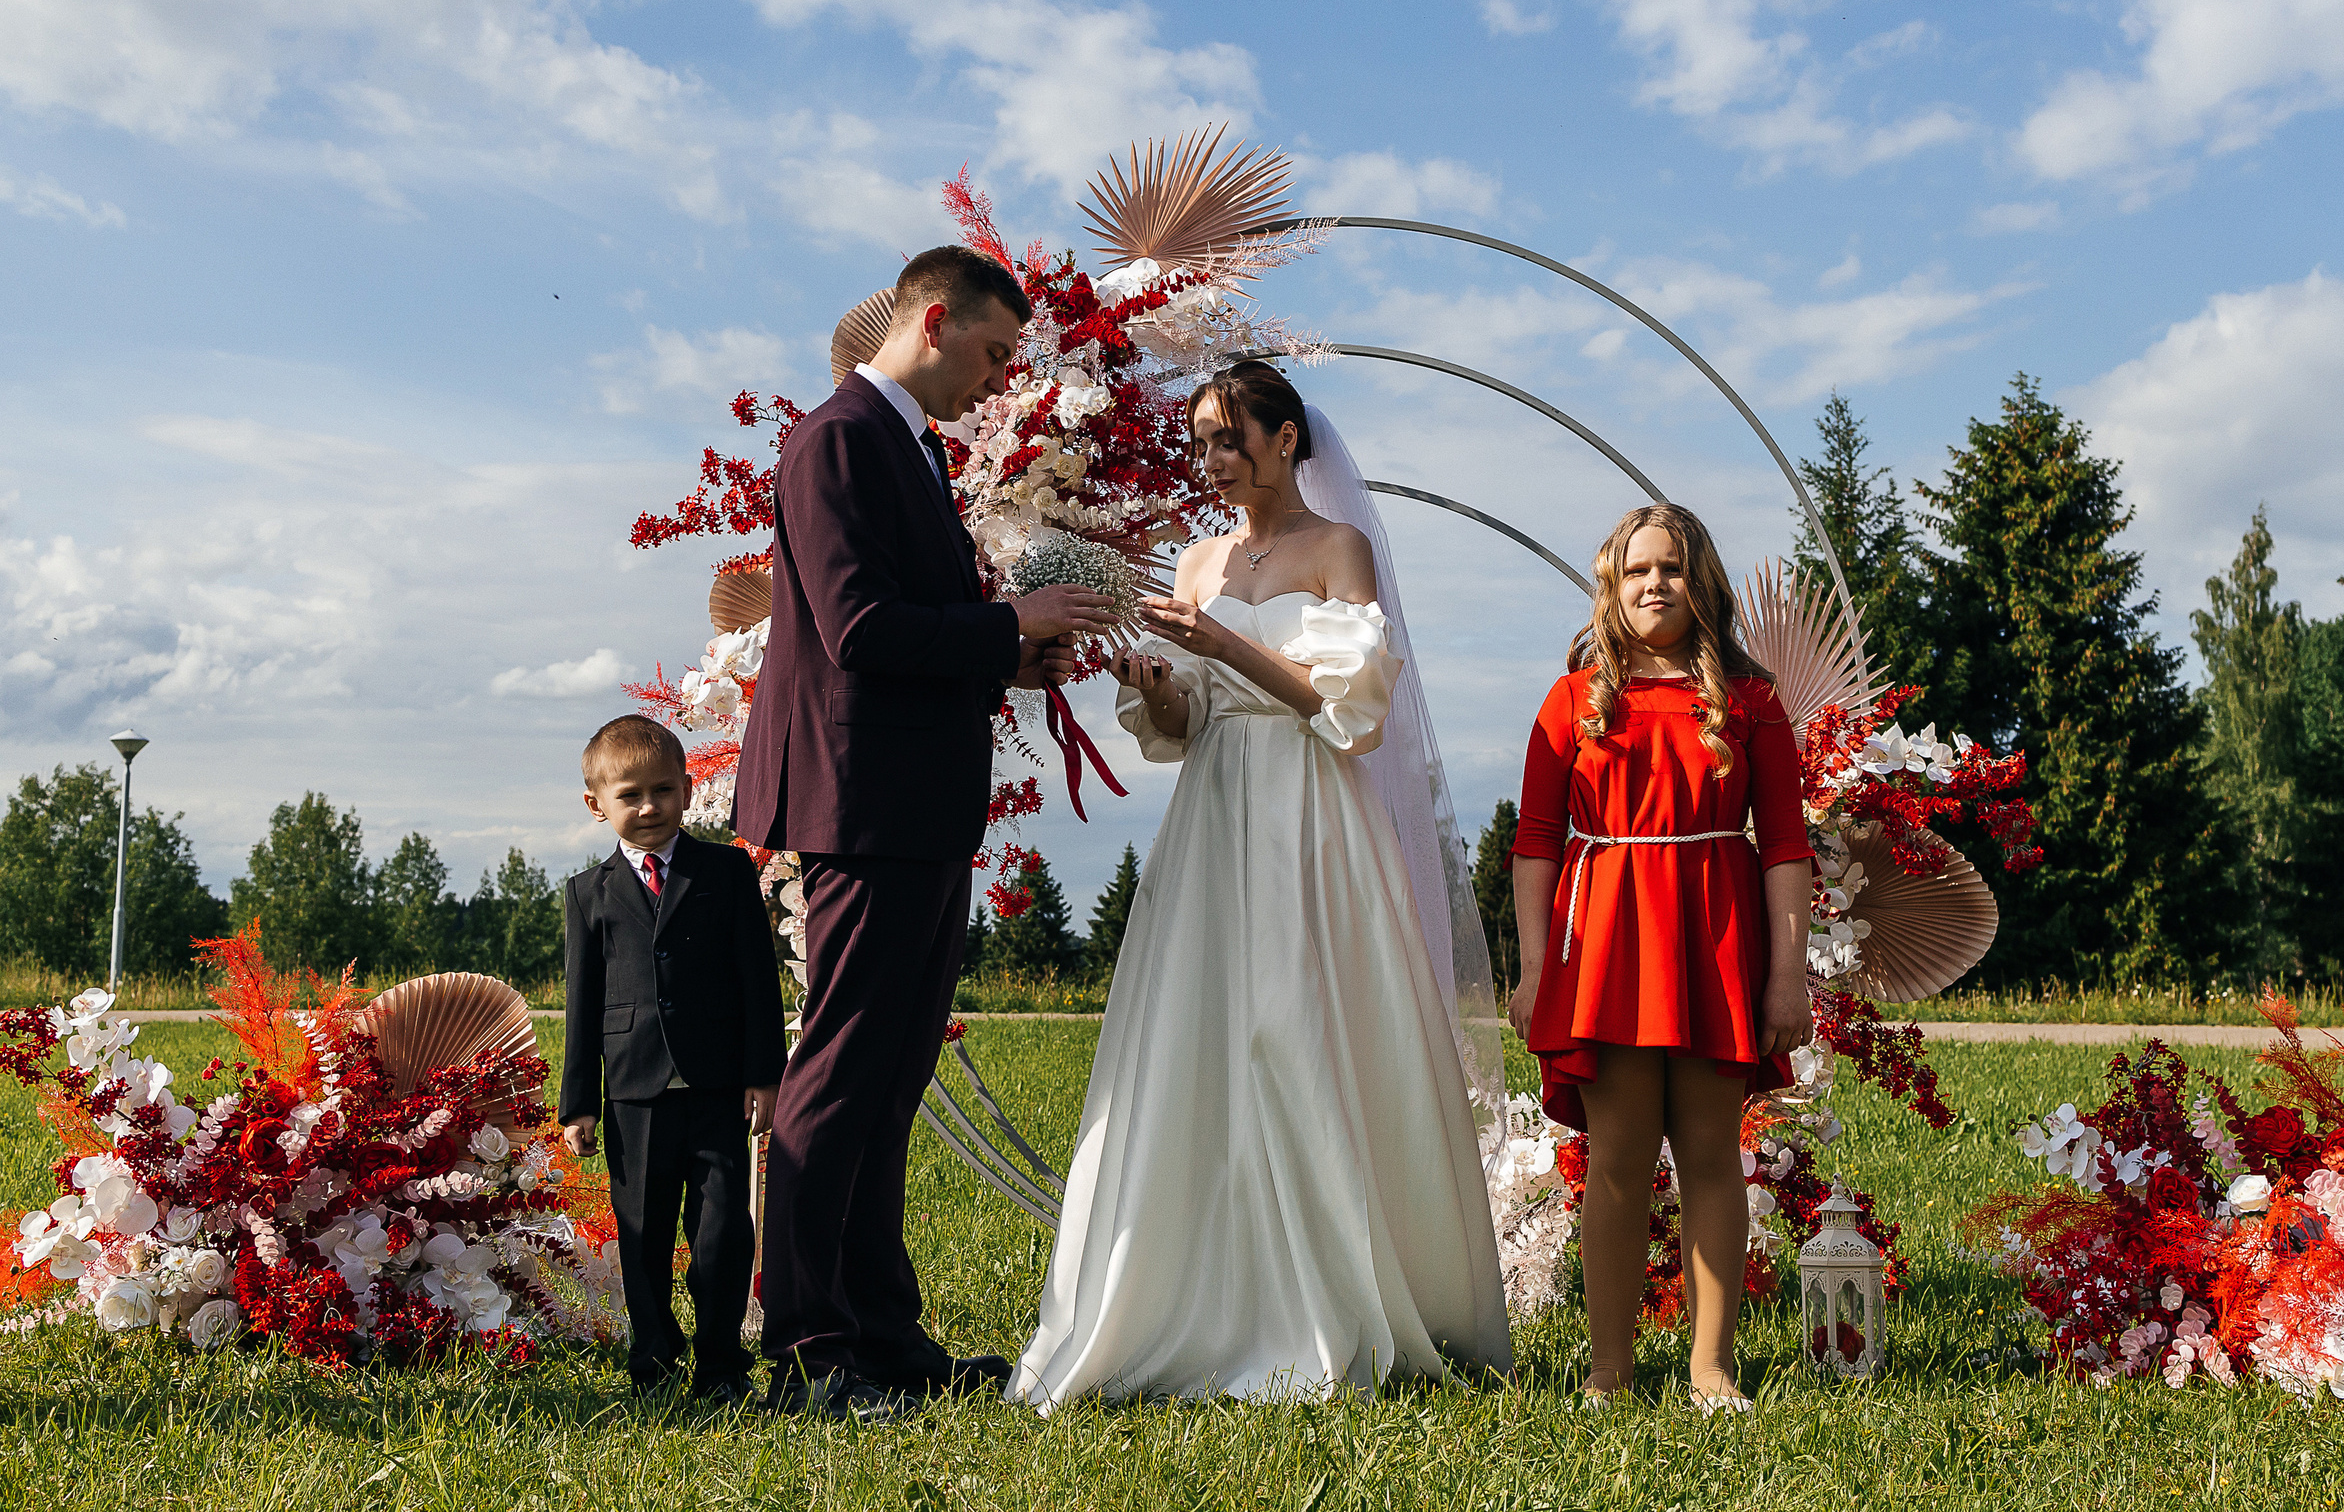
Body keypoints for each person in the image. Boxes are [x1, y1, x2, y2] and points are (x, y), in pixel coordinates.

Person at [1007, 360, 1511, 1412]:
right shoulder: (1196, 561)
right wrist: (1148, 681)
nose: (1213, 458)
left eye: (1230, 436)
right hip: (1217, 814)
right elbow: (1185, 728)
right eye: (1200, 439)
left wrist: (1223, 642)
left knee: (1300, 1025)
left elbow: (1353, 716)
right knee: (1203, 1029)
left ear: (1288, 440)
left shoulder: (1340, 550)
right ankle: (1200, 1288)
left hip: (1312, 811)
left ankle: (1334, 1292)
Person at [732, 245, 1110, 1421]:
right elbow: (856, 628)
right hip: (858, 801)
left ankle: (883, 1337)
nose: (999, 381)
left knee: (889, 1075)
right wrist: (1005, 623)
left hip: (905, 796)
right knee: (839, 1070)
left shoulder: (906, 448)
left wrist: (1010, 649)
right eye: (995, 353)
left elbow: (914, 626)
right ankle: (804, 1345)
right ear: (934, 320)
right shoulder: (838, 436)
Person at [1506, 504, 1815, 1415]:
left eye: (1672, 569)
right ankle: (1610, 1368)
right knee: (1619, 1157)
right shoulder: (1574, 698)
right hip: (1605, 944)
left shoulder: (1751, 703)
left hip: (1716, 937)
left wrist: (1787, 974)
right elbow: (1534, 842)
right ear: (1612, 581)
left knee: (1714, 1152)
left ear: (1701, 580)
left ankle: (1710, 1368)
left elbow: (1787, 845)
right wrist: (1532, 966)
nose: (1654, 584)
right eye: (1638, 569)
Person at [560, 714, 788, 1407]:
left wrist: (764, 1074)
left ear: (689, 791)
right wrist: (578, 1103)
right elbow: (582, 1002)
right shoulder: (587, 893)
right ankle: (654, 1355)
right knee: (643, 1233)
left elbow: (756, 977)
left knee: (723, 1231)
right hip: (634, 1093)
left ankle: (722, 1365)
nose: (649, 806)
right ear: (596, 803)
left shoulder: (722, 871)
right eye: (630, 794)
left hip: (718, 1086)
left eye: (663, 789)